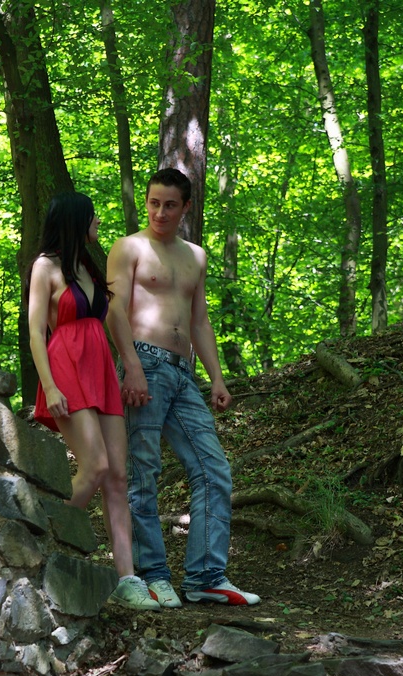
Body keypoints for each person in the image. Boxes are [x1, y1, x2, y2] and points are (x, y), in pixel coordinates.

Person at [105, 168, 260, 607]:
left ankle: (206, 576)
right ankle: (154, 575)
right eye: (154, 203)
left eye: (170, 205)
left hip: (183, 372)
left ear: (186, 207)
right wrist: (131, 365)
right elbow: (115, 310)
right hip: (144, 364)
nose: (160, 212)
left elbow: (199, 321)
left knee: (214, 470)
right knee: (143, 472)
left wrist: (217, 377)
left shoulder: (196, 256)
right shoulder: (129, 247)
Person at [28, 191, 160, 611]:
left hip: (99, 367)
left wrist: (130, 363)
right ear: (75, 220)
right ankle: (43, 543)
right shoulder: (45, 266)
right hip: (65, 366)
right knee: (96, 466)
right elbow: (35, 332)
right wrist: (49, 386)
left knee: (118, 475)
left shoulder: (88, 265)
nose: (98, 222)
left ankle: (126, 579)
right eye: (92, 217)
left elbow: (111, 317)